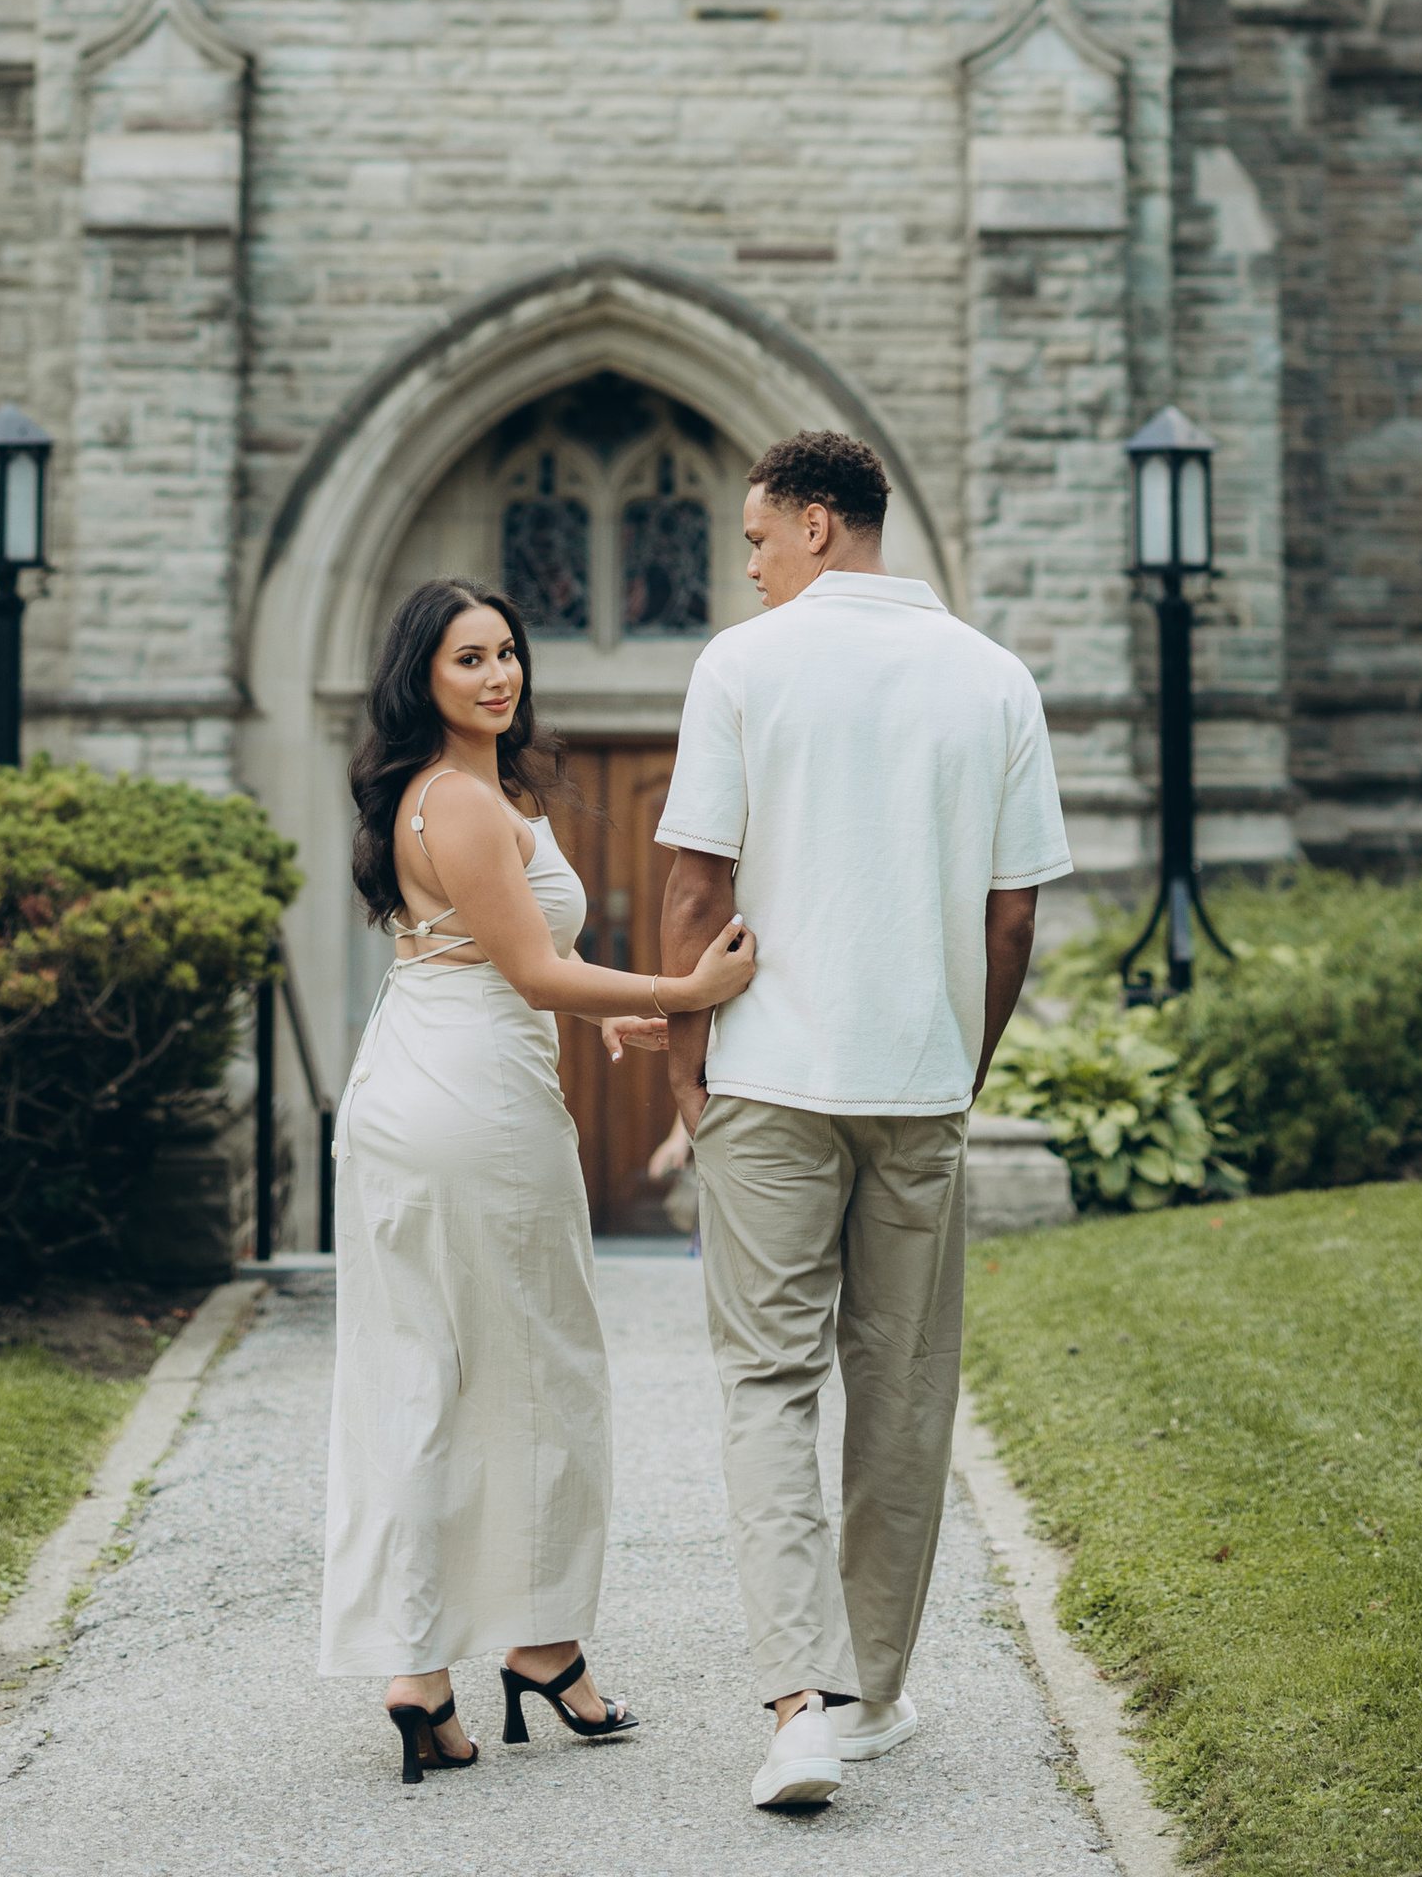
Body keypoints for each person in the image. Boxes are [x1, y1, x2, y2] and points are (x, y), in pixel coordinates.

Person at [657, 430, 1071, 1813]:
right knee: (903, 1392)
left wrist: (682, 1061)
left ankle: (799, 1710)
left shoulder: (745, 662)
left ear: (823, 525)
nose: (754, 561)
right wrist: (966, 1061)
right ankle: (872, 1693)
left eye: (762, 536)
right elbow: (1015, 913)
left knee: (769, 1385)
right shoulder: (995, 676)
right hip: (919, 1081)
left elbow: (693, 881)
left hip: (770, 1080)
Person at [321, 574, 759, 1783]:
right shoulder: (457, 801)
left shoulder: (464, 794)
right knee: (540, 1368)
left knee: (429, 1369)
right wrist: (680, 1001)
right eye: (469, 658)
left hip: (424, 1079)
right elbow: (534, 974)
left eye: (507, 652)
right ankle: (538, 1650)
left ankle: (431, 1677)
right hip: (470, 1103)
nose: (498, 674)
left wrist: (609, 1015)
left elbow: (514, 955)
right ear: (422, 677)